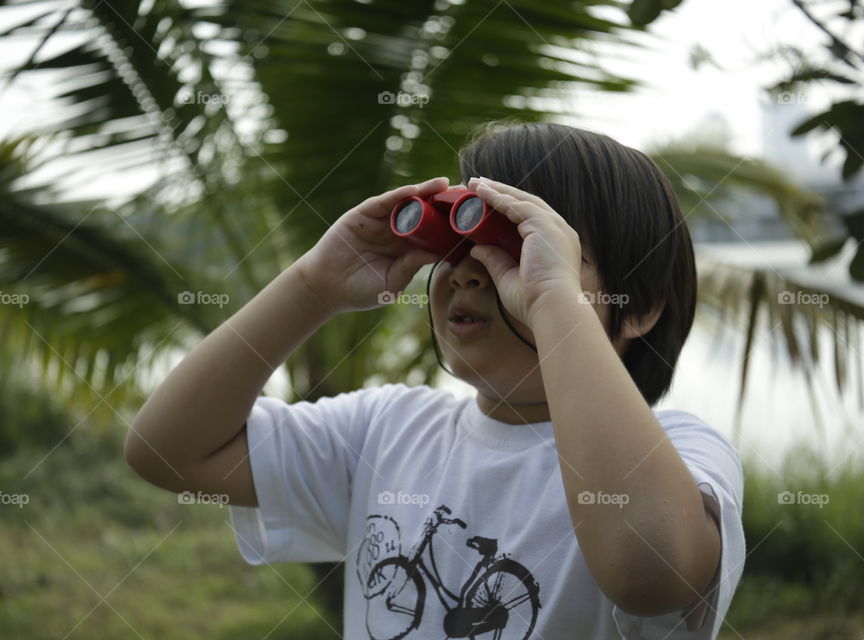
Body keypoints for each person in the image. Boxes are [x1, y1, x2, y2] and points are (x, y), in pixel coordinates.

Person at [124, 121, 745, 639]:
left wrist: (552, 298)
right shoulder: (385, 430)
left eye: (520, 248)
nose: (474, 273)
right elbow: (167, 451)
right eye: (458, 247)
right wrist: (313, 286)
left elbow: (646, 573)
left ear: (638, 307)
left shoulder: (682, 453)